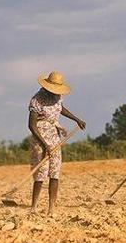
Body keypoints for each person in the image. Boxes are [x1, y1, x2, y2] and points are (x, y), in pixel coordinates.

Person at [28, 71, 86, 217]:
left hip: (54, 136)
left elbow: (60, 108)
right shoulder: (37, 99)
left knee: (55, 171)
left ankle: (51, 208)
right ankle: (33, 207)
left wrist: (76, 119)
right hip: (40, 137)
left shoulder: (58, 97)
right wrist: (44, 144)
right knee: (41, 171)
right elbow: (31, 125)